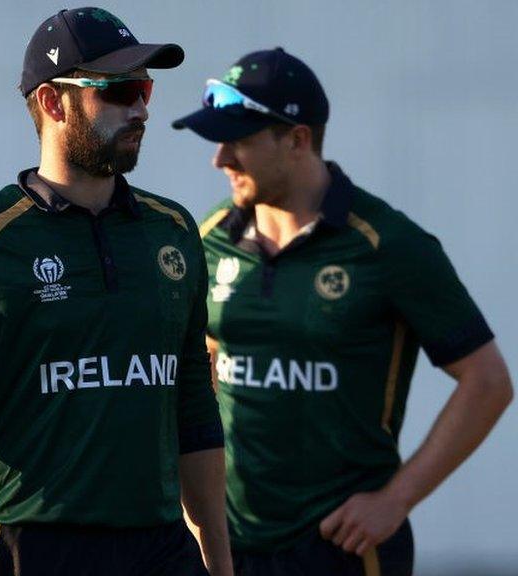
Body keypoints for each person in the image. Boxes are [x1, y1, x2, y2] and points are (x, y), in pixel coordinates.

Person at [0, 7, 233, 576]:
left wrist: (219, 559)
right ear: (54, 103)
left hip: (157, 544)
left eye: (145, 90)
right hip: (25, 543)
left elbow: (193, 406)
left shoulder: (172, 230)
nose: (139, 109)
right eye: (120, 90)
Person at [172, 47, 513, 576]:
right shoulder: (209, 237)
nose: (220, 160)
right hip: (229, 548)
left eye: (239, 141)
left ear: (297, 139)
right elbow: (201, 371)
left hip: (345, 549)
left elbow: (487, 382)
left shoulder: (389, 245)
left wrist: (395, 500)